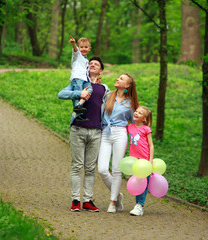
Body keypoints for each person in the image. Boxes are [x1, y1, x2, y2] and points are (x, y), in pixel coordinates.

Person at [58, 57, 109, 212]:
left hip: (96, 132)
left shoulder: (104, 89)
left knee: (90, 168)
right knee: (77, 166)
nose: (92, 65)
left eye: (96, 64)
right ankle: (75, 200)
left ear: (100, 71)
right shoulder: (78, 83)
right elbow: (61, 94)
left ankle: (87, 200)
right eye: (90, 63)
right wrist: (78, 93)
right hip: (78, 129)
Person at [97, 73, 139, 213]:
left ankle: (112, 201)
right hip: (105, 132)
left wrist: (139, 141)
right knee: (102, 169)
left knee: (116, 169)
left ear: (127, 85)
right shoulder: (108, 96)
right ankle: (118, 195)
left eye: (121, 79)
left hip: (120, 134)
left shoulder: (131, 103)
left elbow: (135, 123)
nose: (117, 79)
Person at [127, 106, 154, 216]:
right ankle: (137, 205)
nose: (137, 113)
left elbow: (151, 145)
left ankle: (140, 205)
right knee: (138, 182)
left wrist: (150, 161)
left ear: (144, 119)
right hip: (133, 159)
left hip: (144, 160)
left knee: (144, 182)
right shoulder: (129, 127)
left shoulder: (146, 129)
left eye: (140, 113)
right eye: (136, 111)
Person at [68, 35, 93, 121]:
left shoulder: (86, 60)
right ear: (79, 48)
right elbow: (75, 50)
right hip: (77, 78)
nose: (83, 49)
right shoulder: (77, 55)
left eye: (86, 47)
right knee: (78, 92)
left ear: (89, 48)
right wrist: (74, 44)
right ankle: (78, 112)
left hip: (85, 79)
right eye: (81, 47)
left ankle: (79, 105)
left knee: (90, 89)